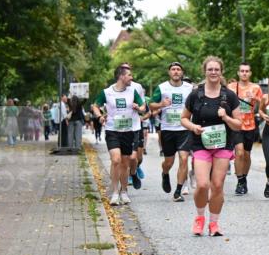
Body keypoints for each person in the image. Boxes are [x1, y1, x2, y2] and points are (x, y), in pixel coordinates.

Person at [181, 56, 243, 236]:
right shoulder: (196, 95)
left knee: (217, 185)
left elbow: (238, 124)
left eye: (216, 69)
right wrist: (193, 127)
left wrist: (226, 117)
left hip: (223, 144)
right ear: (205, 72)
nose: (213, 72)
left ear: (221, 72)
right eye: (210, 69)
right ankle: (200, 218)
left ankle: (214, 224)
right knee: (202, 184)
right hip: (201, 143)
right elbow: (183, 118)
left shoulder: (229, 96)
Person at [92, 64, 148, 205]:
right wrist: (100, 116)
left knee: (125, 163)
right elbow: (95, 106)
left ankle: (124, 191)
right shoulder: (106, 92)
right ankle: (115, 192)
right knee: (115, 160)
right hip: (112, 131)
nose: (131, 77)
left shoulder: (132, 91)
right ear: (121, 76)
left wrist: (138, 107)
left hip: (128, 131)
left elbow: (143, 107)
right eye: (129, 75)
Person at [150, 61, 193, 202]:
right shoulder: (162, 88)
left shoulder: (189, 88)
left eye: (178, 69)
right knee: (169, 161)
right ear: (169, 72)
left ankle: (178, 191)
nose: (175, 71)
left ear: (182, 73)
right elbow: (151, 105)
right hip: (167, 129)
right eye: (173, 69)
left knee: (184, 158)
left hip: (184, 129)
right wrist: (162, 104)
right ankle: (165, 173)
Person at [227, 61, 263, 195]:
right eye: (242, 71)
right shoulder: (230, 87)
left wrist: (256, 98)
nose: (244, 73)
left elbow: (264, 104)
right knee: (239, 152)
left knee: (247, 154)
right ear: (238, 73)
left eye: (247, 71)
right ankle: (240, 180)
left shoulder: (256, 88)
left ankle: (244, 179)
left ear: (250, 73)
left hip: (250, 125)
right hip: (236, 124)